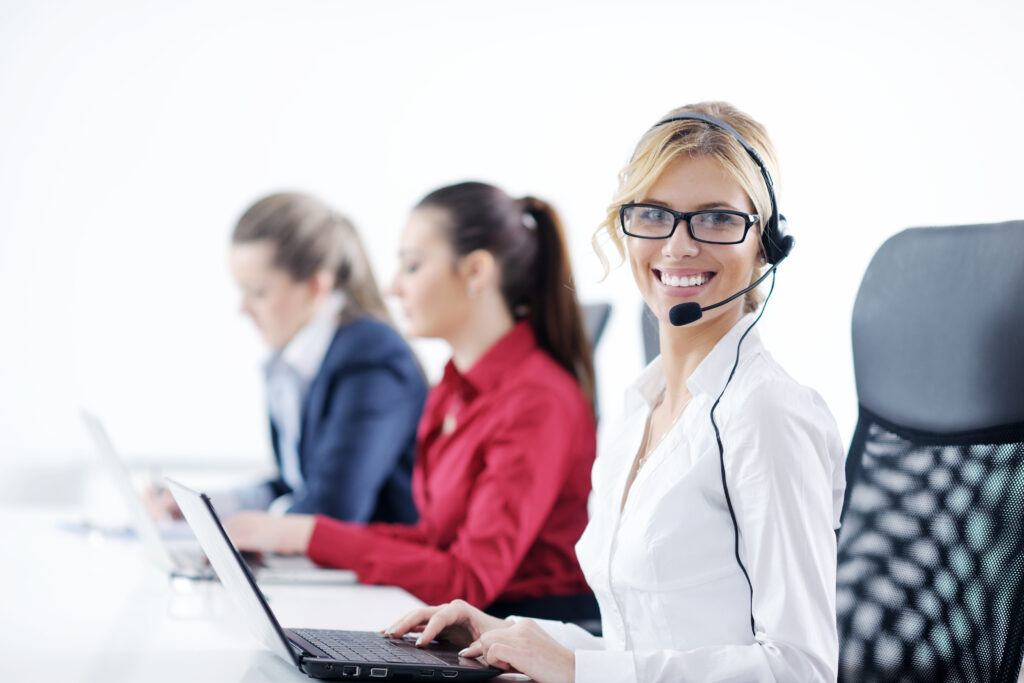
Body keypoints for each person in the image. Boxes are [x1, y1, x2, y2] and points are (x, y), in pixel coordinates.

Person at [384, 102, 847, 682]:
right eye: (654, 214)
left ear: (767, 243)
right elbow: (642, 639)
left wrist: (577, 673)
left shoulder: (766, 413)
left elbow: (801, 669)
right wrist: (504, 633)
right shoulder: (641, 409)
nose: (678, 246)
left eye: (718, 219)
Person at [226, 182, 600, 622]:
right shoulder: (452, 389)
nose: (392, 287)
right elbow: (433, 538)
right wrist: (301, 534)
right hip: (467, 623)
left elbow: (468, 581)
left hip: (526, 630)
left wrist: (310, 535)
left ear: (476, 271)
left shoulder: (537, 400)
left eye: (412, 266)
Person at [149, 192, 425, 523]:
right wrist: (200, 509)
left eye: (259, 292)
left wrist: (246, 529)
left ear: (314, 286)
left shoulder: (371, 355)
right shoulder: (294, 363)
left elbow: (333, 510)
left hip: (373, 570)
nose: (244, 309)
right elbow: (293, 485)